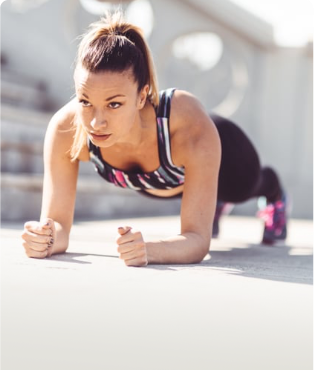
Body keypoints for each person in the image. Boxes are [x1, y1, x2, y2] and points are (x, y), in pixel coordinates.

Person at [21, 11, 288, 267]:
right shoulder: (66, 129)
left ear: (141, 95)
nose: (95, 122)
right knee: (195, 197)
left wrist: (148, 249)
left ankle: (272, 189)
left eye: (114, 104)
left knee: (241, 188)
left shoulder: (187, 126)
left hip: (228, 155)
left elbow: (197, 240)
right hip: (168, 184)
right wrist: (46, 238)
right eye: (85, 101)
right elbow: (57, 224)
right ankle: (211, 202)